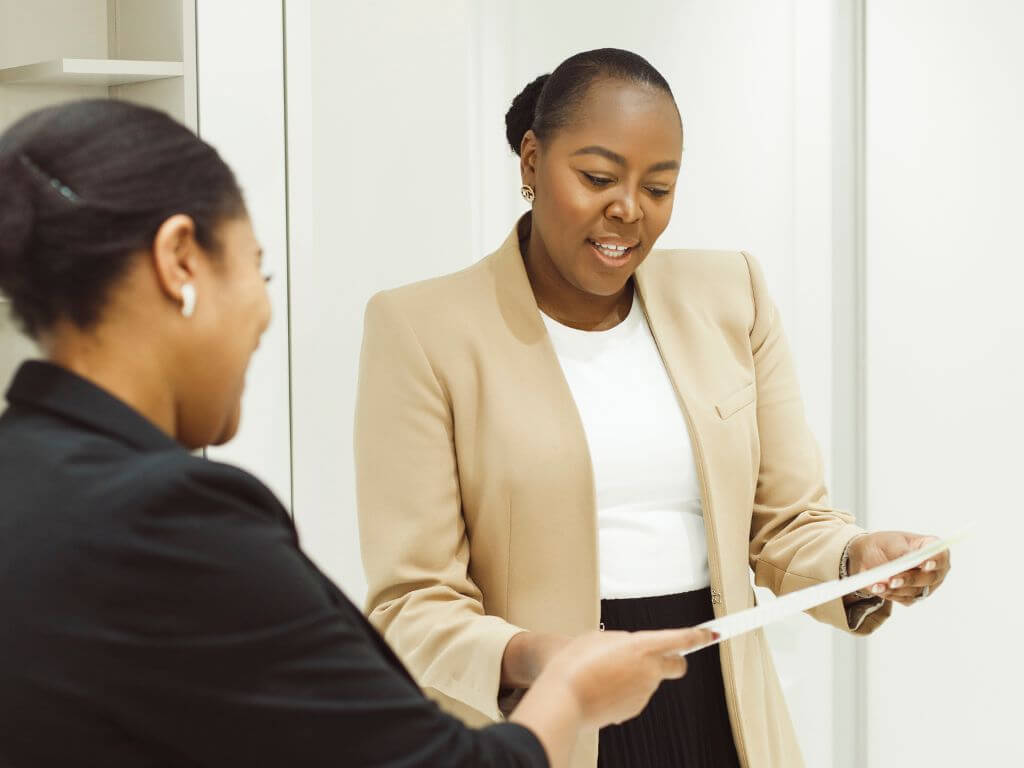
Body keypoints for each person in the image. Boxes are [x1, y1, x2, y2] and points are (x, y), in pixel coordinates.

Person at [0, 99, 716, 768]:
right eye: (258, 269)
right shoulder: (175, 521)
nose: (262, 316)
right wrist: (574, 694)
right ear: (180, 258)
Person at [354, 48, 952, 768]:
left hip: (722, 705)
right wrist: (547, 662)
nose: (628, 209)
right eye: (598, 178)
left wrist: (861, 558)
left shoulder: (731, 293)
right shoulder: (423, 329)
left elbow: (786, 523)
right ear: (532, 162)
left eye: (659, 186)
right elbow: (411, 602)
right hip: (544, 711)